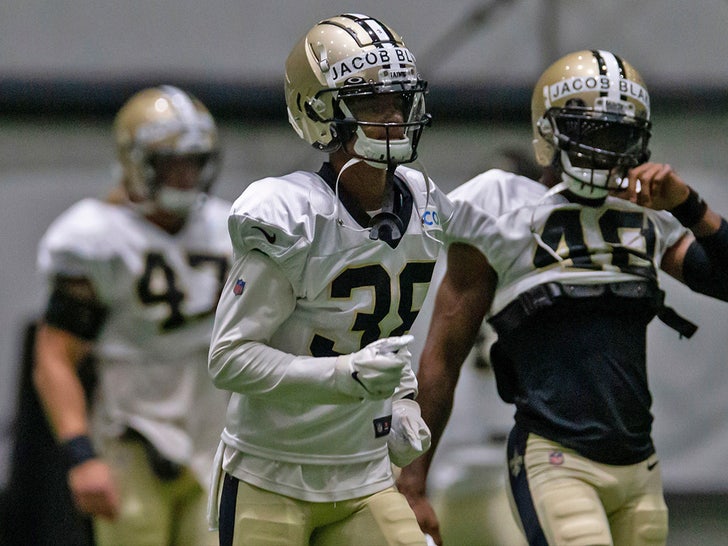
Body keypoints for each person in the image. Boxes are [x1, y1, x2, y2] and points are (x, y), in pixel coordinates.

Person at [397, 49, 728, 546]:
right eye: (592, 132)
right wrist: (413, 483)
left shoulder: (642, 214)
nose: (606, 148)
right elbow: (443, 354)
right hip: (555, 458)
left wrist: (689, 205)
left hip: (640, 465)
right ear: (549, 132)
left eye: (620, 134)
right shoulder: (500, 209)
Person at [206, 13, 454, 546]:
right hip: (271, 473)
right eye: (369, 103)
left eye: (397, 100)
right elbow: (228, 358)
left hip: (363, 473)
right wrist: (343, 376)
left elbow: (385, 333)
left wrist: (404, 399)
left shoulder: (428, 204)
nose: (390, 116)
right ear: (320, 113)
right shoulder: (291, 214)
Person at [33, 85, 232, 546]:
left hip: (215, 433)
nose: (184, 176)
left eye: (193, 161)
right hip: (131, 435)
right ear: (134, 162)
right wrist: (81, 454)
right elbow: (54, 356)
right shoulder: (94, 238)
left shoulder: (229, 229)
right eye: (170, 162)